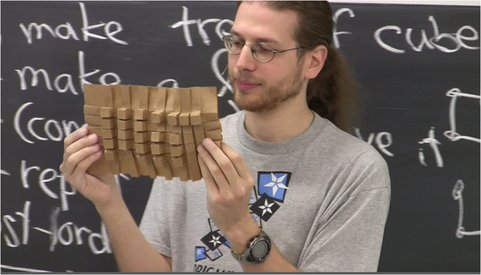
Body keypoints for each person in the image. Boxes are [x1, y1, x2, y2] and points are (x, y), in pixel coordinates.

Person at [60, 1, 390, 272]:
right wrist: (109, 202)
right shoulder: (192, 137)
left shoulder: (355, 171)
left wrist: (239, 227)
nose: (241, 63)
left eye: (264, 49)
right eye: (236, 42)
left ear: (313, 61)